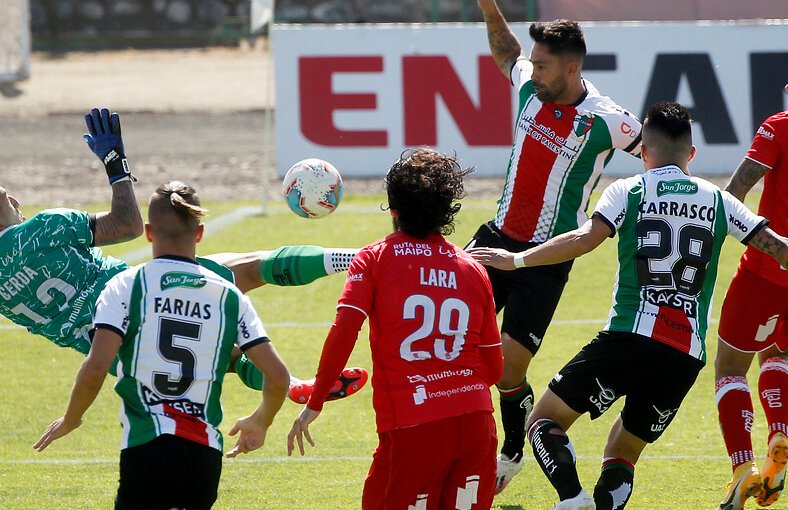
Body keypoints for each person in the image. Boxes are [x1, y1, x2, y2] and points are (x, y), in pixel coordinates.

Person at [0, 107, 365, 403]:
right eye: (7, 199)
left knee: (220, 358)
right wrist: (115, 163)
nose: (17, 202)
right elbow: (126, 225)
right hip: (132, 297)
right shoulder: (40, 230)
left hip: (111, 351)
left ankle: (300, 388)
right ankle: (358, 259)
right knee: (238, 268)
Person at [470, 102, 788, 510]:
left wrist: (514, 259)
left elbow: (583, 240)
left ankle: (573, 498)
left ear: (644, 153)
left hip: (628, 338)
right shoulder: (719, 201)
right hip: (684, 356)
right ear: (692, 154)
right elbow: (779, 250)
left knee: (543, 422)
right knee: (622, 451)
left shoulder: (628, 189)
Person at [468, 0, 644, 492]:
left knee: (507, 370)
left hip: (547, 259)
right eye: (535, 63)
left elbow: (662, 152)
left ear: (572, 67)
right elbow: (508, 52)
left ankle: (510, 449)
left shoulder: (609, 121)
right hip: (494, 238)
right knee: (453, 331)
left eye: (543, 65)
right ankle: (458, 445)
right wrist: (488, 7)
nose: (533, 71)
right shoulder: (529, 86)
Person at [33, 181, 290, 510]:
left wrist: (71, 418)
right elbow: (278, 376)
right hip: (203, 456)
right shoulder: (228, 295)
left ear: (149, 232)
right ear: (199, 234)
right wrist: (261, 421)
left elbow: (96, 366)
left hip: (146, 446)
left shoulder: (125, 285)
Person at [287, 148, 505, 510]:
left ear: (392, 207)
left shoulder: (373, 259)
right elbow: (494, 370)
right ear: (448, 208)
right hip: (476, 425)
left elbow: (344, 331)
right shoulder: (473, 269)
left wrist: (317, 399)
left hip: (413, 426)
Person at [714, 89, 788, 510]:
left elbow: (740, 184)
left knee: (729, 367)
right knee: (779, 354)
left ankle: (743, 469)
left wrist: (714, 235)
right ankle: (780, 431)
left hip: (766, 271)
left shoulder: (779, 125)